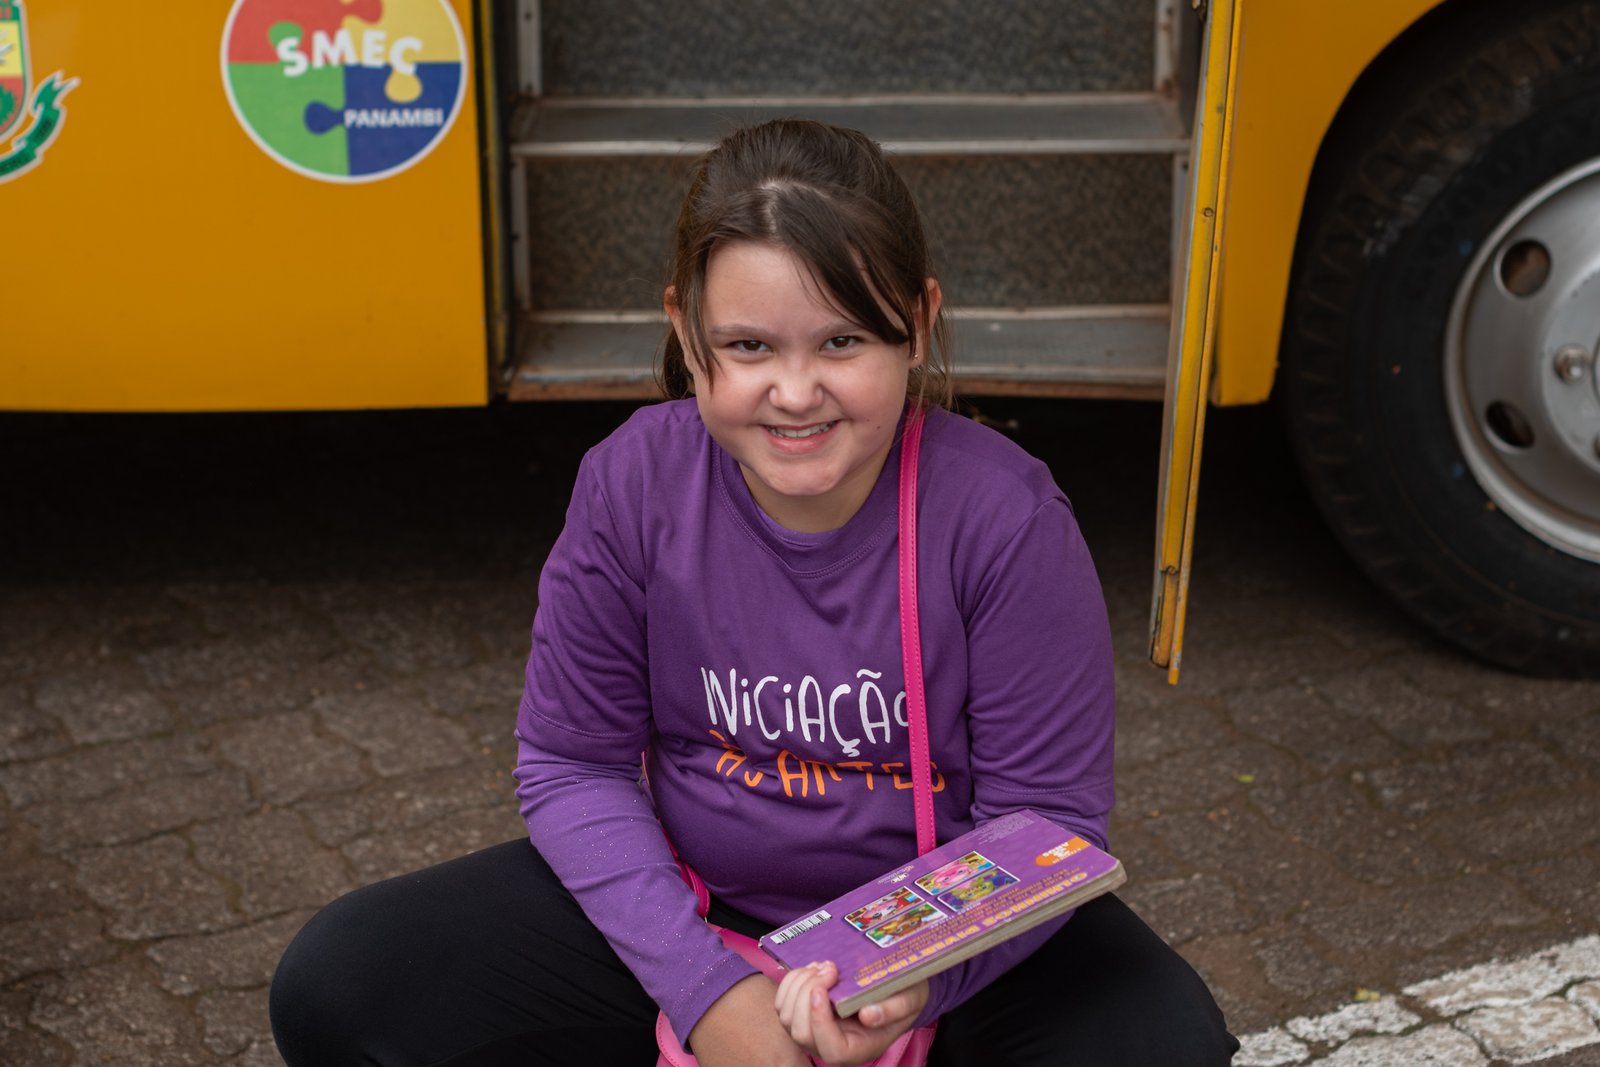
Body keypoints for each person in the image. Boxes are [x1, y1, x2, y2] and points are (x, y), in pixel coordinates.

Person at [270, 118, 1239, 1067]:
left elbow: (1046, 819)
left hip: (951, 939)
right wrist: (708, 996)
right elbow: (572, 762)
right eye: (748, 347)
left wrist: (912, 980)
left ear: (917, 324)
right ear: (685, 333)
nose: (796, 390)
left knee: (1158, 1043)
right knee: (346, 980)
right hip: (702, 908)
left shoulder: (1005, 519)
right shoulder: (632, 484)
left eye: (842, 340)